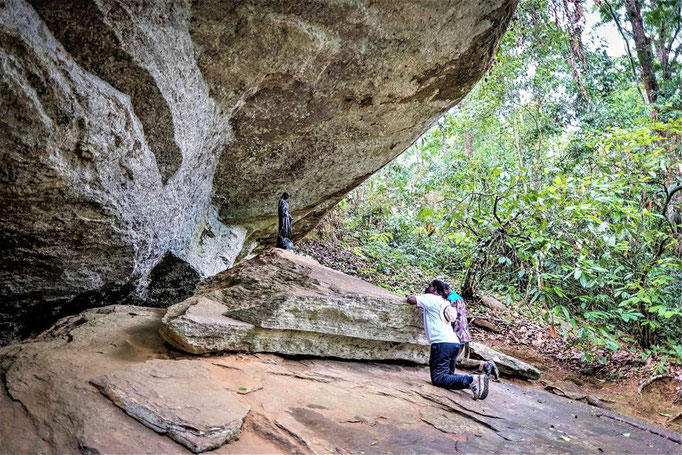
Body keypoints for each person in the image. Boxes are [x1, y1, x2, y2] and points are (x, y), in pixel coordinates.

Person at [407, 284, 489, 400]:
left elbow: (411, 300)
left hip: (442, 344)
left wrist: (414, 296)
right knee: (448, 376)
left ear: (435, 289)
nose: (427, 286)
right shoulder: (445, 303)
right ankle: (475, 381)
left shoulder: (430, 297)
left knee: (438, 378)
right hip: (454, 343)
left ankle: (471, 380)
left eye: (430, 285)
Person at [441, 281, 500, 380]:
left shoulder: (450, 300)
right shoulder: (458, 297)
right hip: (464, 331)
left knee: (459, 360)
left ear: (446, 291)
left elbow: (450, 317)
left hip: (457, 332)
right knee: (460, 358)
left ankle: (485, 364)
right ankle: (485, 366)